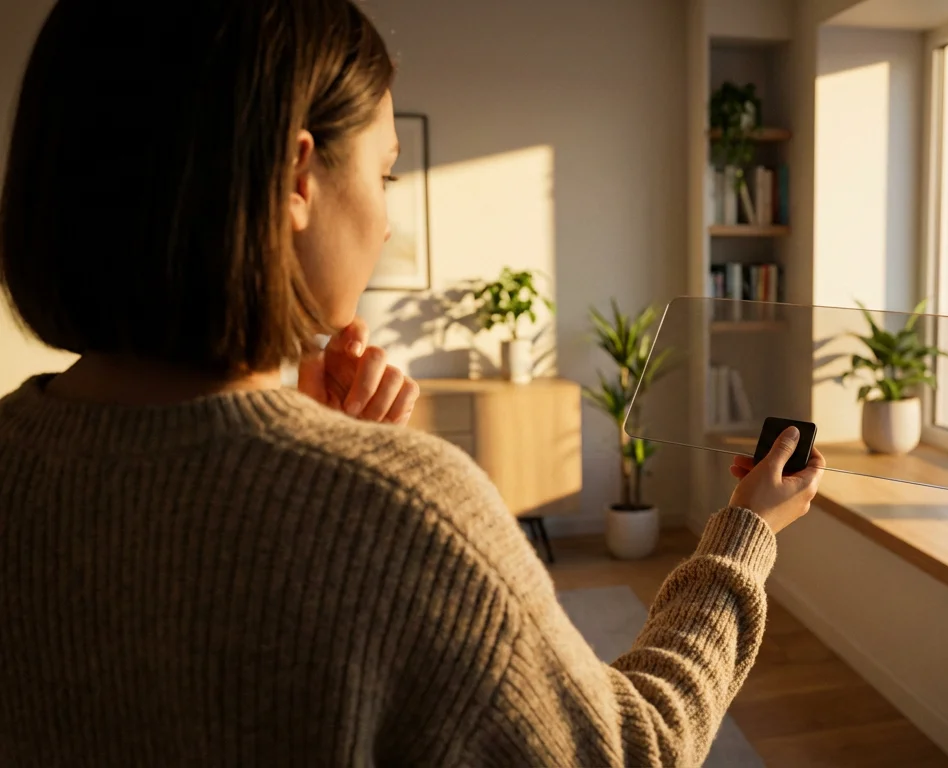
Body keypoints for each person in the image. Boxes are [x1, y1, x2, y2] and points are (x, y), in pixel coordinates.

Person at [0, 0, 826, 765]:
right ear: (296, 178)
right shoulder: (405, 510)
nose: (387, 216)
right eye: (387, 172)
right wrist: (741, 536)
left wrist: (309, 441)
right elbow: (631, 748)